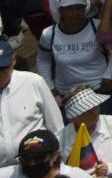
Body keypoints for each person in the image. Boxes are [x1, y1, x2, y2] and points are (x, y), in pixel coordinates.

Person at [0, 36, 64, 165]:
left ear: (13, 60)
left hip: (38, 166)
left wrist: (58, 162)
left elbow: (57, 128)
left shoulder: (33, 82)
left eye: (3, 69)